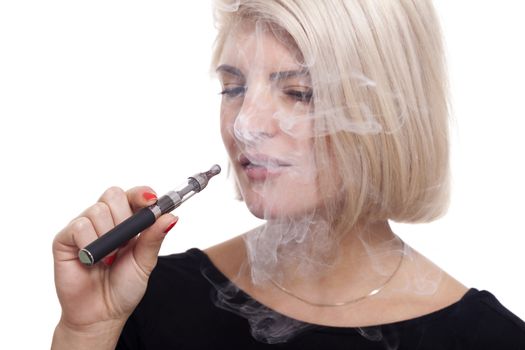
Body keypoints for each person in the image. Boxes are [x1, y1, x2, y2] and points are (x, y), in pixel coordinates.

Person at [51, 0, 525, 348]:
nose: (245, 124)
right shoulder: (148, 300)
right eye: (233, 87)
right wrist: (87, 331)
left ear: (387, 114)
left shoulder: (490, 340)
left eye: (299, 93)